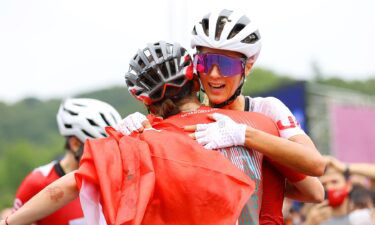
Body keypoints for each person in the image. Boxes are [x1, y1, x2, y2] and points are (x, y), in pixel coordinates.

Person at [1, 42, 301, 225]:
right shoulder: (257, 124)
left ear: (145, 101)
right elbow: (314, 190)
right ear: (196, 81)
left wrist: (11, 221)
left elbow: (62, 189)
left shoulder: (137, 142)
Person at [117, 9, 326, 224]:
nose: (215, 74)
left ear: (248, 67)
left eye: (226, 65)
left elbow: (315, 180)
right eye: (205, 63)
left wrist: (245, 136)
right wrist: (138, 125)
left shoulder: (265, 109)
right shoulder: (184, 117)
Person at [9, 98, 121, 225]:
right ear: (75, 144)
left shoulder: (112, 179)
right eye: (100, 148)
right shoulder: (38, 181)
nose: (108, 155)